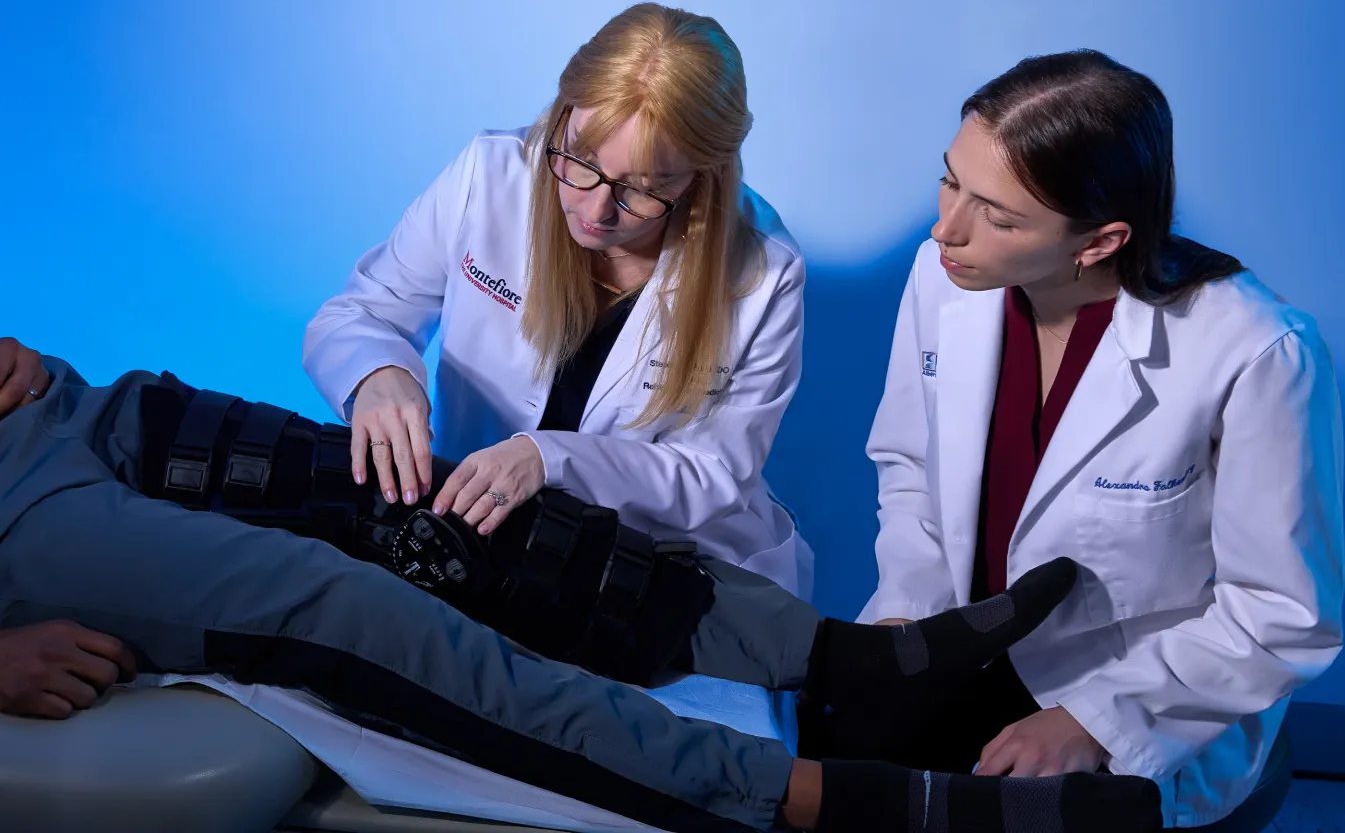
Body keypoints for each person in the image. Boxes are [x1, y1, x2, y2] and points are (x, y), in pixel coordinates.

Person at [0, 336, 1166, 833]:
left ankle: (842, 662)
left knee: (427, 509)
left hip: (63, 405)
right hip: (23, 522)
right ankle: (815, 800)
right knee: (356, 606)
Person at [846, 50, 1345, 827]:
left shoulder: (1255, 351)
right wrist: (905, 624)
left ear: (1100, 241)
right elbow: (909, 467)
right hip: (965, 654)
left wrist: (1095, 722)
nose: (948, 228)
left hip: (1142, 692)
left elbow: (1280, 612)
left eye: (1000, 216)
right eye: (950, 180)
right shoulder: (942, 276)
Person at [302, 2, 811, 599]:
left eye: (645, 189)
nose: (596, 211)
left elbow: (714, 476)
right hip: (475, 542)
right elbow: (358, 314)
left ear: (704, 176)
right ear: (565, 114)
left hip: (657, 568)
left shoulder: (764, 272)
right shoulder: (490, 178)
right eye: (582, 160)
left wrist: (547, 459)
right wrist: (379, 373)